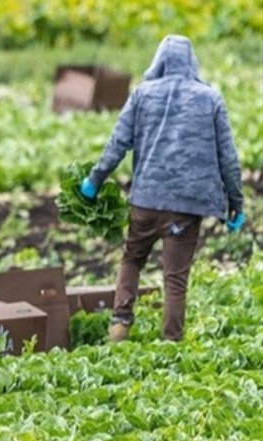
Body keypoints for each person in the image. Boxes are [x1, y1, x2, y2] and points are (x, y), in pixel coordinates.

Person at [80, 35, 245, 342]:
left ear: (159, 62)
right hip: (186, 208)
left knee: (132, 258)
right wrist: (236, 202)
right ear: (192, 63)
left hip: (146, 201)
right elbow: (229, 158)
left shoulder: (142, 95)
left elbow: (118, 144)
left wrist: (94, 181)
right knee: (175, 279)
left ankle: (120, 324)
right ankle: (171, 343)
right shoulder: (210, 98)